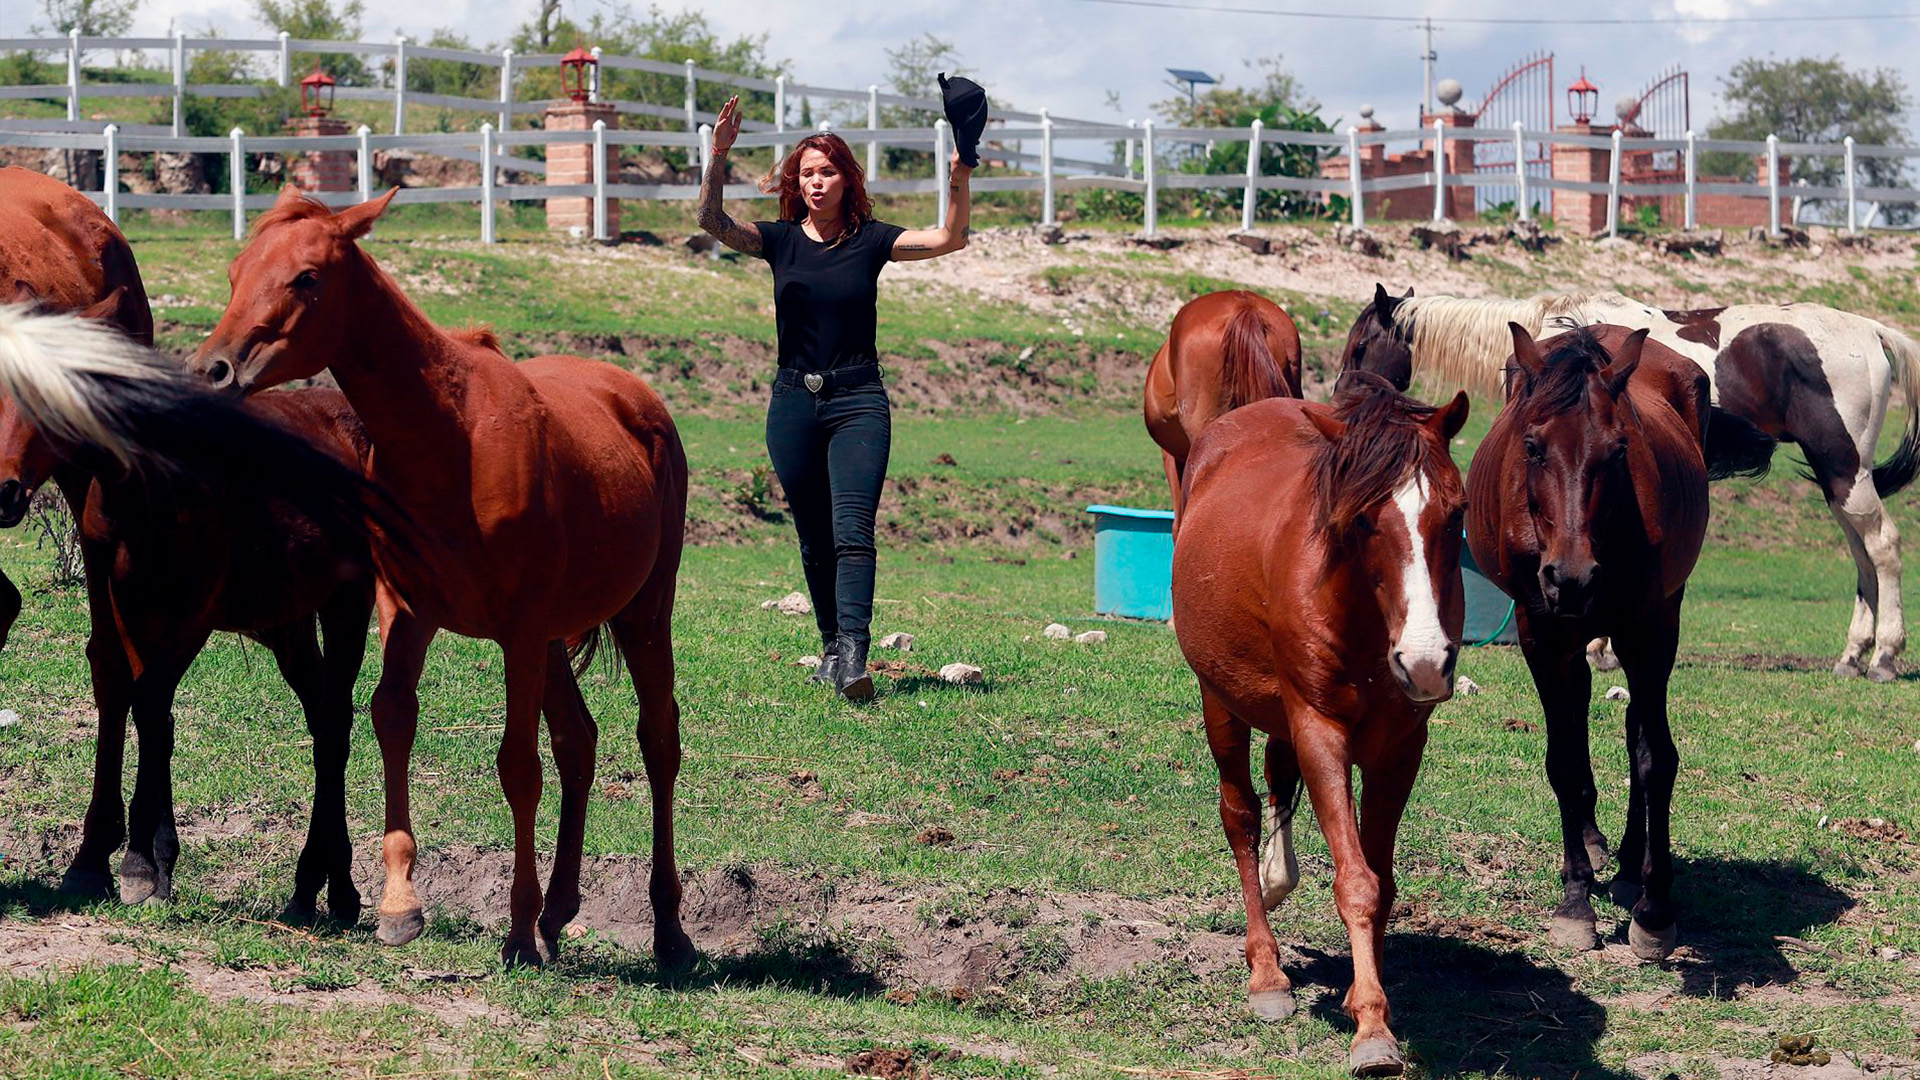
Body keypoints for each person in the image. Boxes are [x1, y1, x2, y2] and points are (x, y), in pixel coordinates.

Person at [698, 95, 973, 701]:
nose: (816, 182)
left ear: (848, 178)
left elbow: (952, 238)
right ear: (796, 184)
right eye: (806, 174)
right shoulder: (778, 241)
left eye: (827, 171)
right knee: (813, 536)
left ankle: (854, 653)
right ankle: (828, 645)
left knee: (853, 530)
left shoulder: (873, 241)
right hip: (793, 403)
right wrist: (718, 156)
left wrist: (960, 173)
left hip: (858, 403)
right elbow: (711, 222)